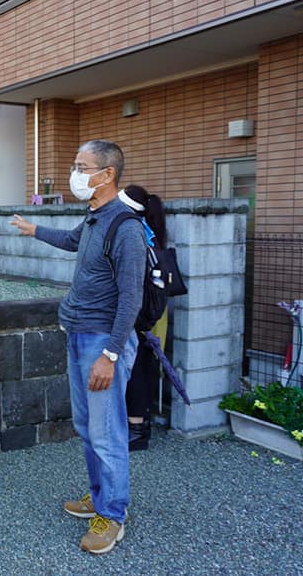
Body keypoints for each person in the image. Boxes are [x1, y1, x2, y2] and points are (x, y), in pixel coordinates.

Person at [11, 140, 145, 555]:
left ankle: (114, 515)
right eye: (75, 165)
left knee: (107, 434)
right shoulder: (93, 218)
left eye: (82, 167)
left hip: (102, 343)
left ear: (106, 175)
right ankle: (99, 497)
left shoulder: (125, 227)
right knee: (88, 429)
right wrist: (35, 230)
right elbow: (71, 241)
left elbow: (131, 299)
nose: (75, 174)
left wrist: (110, 354)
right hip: (78, 335)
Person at [119, 184, 169, 451]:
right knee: (143, 365)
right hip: (154, 310)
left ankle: (136, 430)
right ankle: (140, 424)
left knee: (136, 367)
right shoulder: (150, 230)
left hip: (142, 312)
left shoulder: (135, 232)